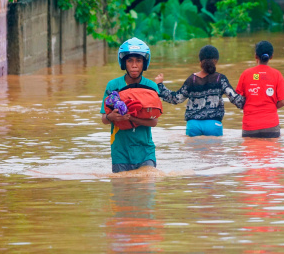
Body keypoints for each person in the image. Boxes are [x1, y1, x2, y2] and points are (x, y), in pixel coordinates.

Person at [155, 45, 245, 137]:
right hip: (213, 125)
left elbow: (176, 98)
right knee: (215, 151)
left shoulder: (192, 80)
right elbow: (236, 99)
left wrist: (160, 85)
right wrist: (252, 98)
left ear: (200, 61)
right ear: (216, 61)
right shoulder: (220, 79)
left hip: (193, 125)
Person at [100, 37, 159, 173]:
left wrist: (131, 118)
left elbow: (154, 121)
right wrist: (112, 117)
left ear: (144, 63)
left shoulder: (151, 87)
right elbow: (104, 119)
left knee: (146, 189)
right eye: (130, 61)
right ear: (124, 63)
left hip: (146, 151)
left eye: (138, 61)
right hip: (120, 152)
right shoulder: (113, 86)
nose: (134, 65)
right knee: (122, 192)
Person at [235, 41, 284, 138]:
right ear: (271, 56)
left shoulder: (246, 74)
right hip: (271, 126)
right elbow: (283, 102)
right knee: (272, 152)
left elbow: (238, 99)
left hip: (250, 126)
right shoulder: (277, 74)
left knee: (250, 152)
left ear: (255, 56)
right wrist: (269, 108)